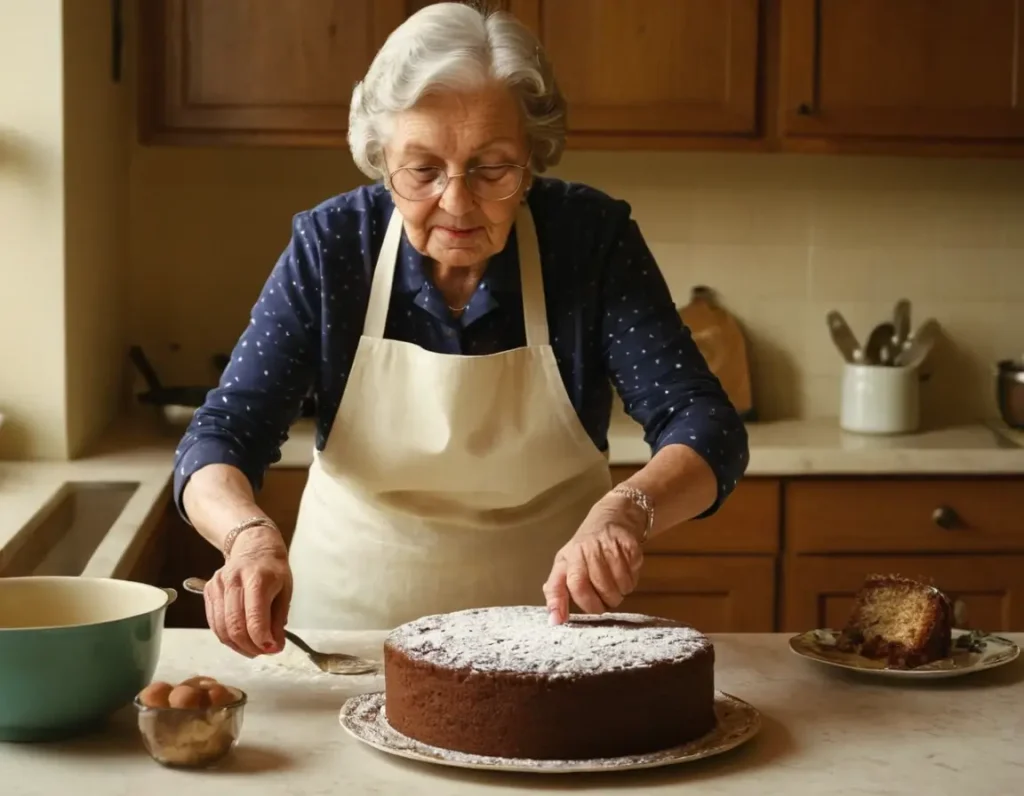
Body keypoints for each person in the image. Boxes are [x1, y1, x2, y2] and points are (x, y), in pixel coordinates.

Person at [173, 1, 749, 657]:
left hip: (550, 632)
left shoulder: (589, 243)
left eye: (492, 166)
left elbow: (704, 423)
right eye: (421, 169)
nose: (455, 201)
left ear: (533, 155)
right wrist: (248, 535)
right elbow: (224, 432)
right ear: (379, 154)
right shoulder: (334, 246)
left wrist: (628, 513)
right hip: (346, 632)